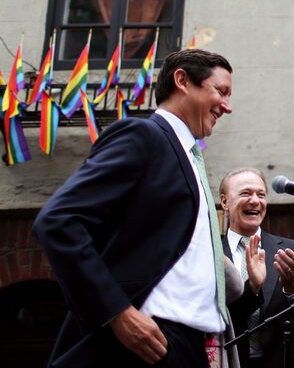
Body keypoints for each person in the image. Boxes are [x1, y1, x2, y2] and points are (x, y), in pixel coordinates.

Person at [33, 49, 234, 367]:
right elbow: (58, 220)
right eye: (220, 91)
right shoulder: (144, 136)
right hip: (144, 343)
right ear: (182, 80)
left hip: (188, 346)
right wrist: (117, 311)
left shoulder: (188, 156)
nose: (227, 106)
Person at [220, 167, 294, 368]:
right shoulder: (211, 253)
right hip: (233, 361)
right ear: (225, 202)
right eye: (245, 193)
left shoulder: (291, 250)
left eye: (261, 194)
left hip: (285, 362)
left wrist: (293, 288)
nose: (255, 201)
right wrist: (254, 288)